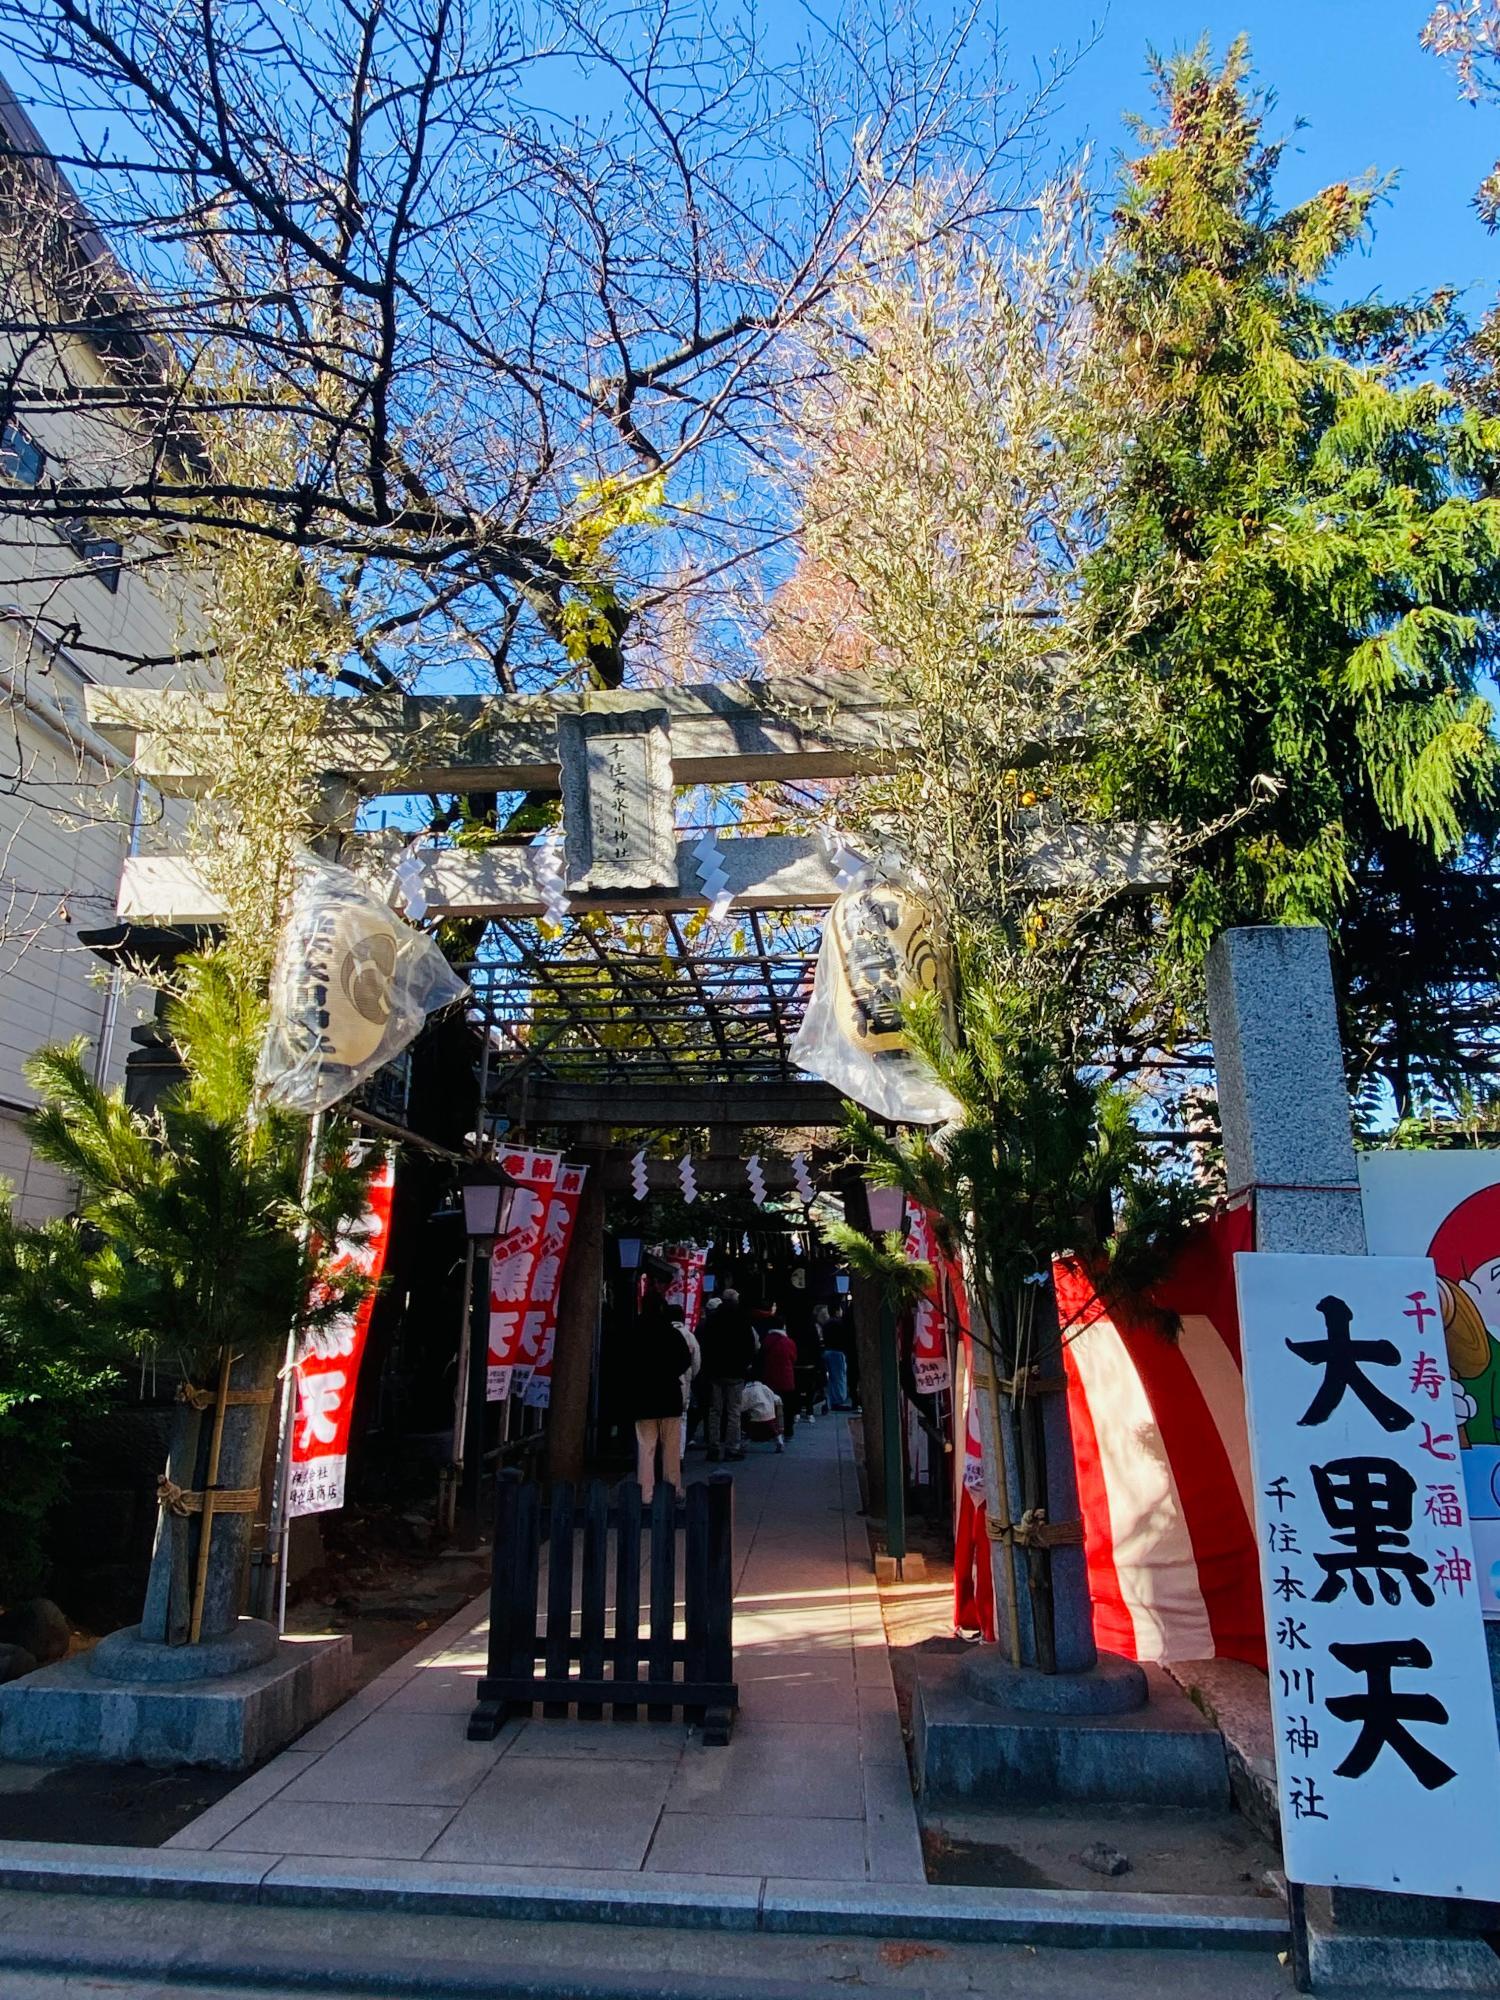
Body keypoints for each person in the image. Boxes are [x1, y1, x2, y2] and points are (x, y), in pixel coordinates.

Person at [632, 1253, 694, 1501]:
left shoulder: (634, 1334)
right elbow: (685, 1361)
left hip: (643, 1396)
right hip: (669, 1394)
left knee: (646, 1446)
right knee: (670, 1447)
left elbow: (627, 1362)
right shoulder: (672, 1334)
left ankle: (645, 1492)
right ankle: (673, 1487)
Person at [699, 1285, 756, 1461]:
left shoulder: (713, 1319)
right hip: (735, 1371)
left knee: (715, 1410)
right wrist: (745, 1364)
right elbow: (750, 1344)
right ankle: (732, 1447)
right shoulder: (742, 1319)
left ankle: (713, 1446)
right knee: (734, 1411)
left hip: (715, 1370)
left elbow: (705, 1345)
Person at [759, 1318, 799, 1441]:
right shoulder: (788, 1342)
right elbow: (793, 1358)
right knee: (788, 1407)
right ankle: (788, 1431)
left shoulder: (765, 1341)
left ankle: (773, 1431)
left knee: (771, 1407)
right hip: (786, 1378)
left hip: (769, 1379)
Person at [821, 1301, 853, 1410]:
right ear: (837, 1311)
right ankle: (839, 1400)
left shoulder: (825, 1324)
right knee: (839, 1377)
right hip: (838, 1351)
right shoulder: (840, 1324)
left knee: (832, 1378)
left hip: (828, 1350)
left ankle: (833, 1399)